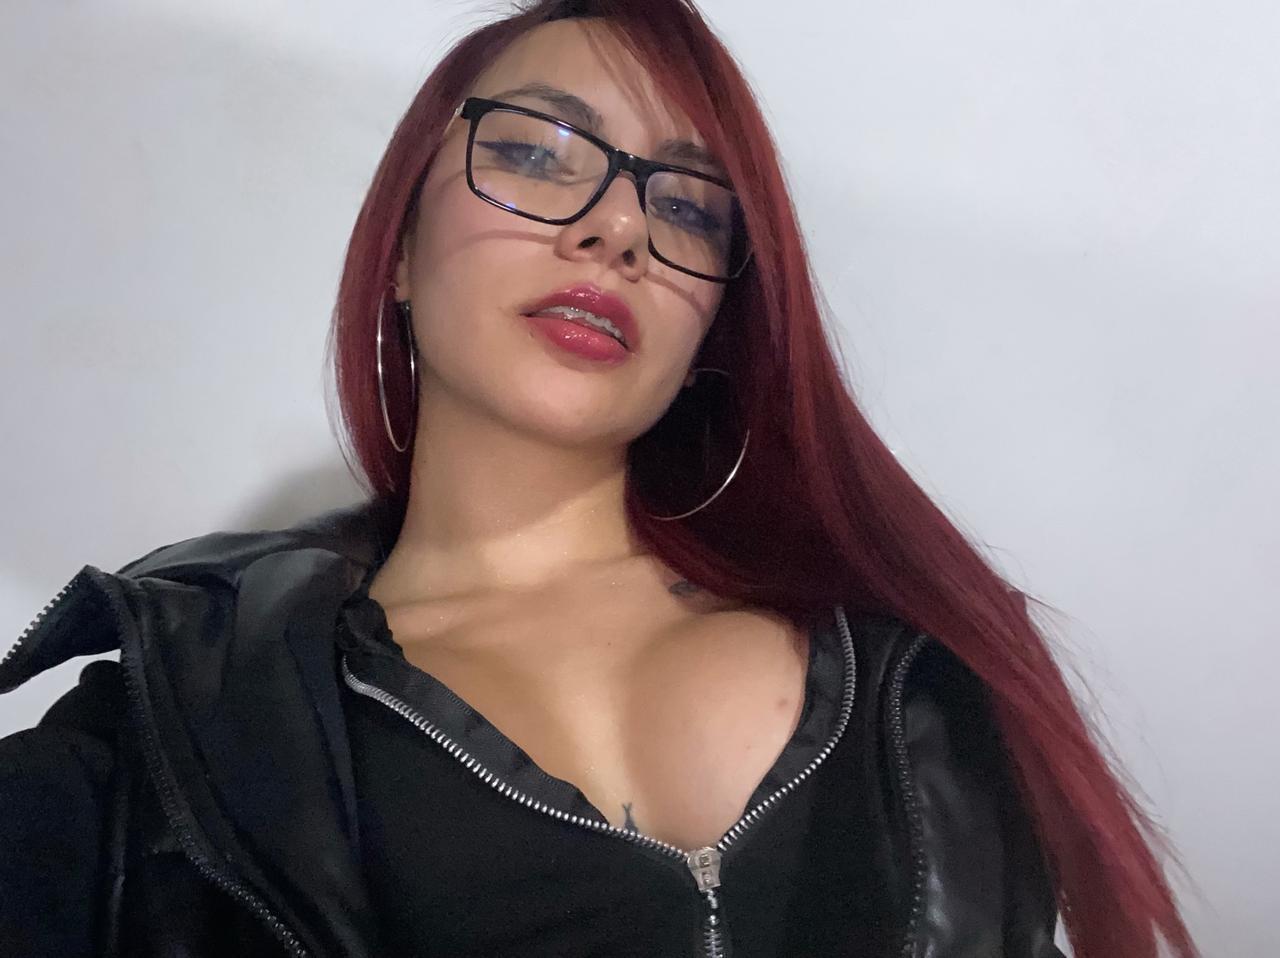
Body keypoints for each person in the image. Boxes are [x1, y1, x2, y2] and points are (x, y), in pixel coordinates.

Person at [0, 1, 1200, 956]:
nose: (617, 230)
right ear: (401, 246)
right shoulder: (178, 732)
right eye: (534, 150)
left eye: (686, 207)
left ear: (714, 326)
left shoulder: (912, 673)